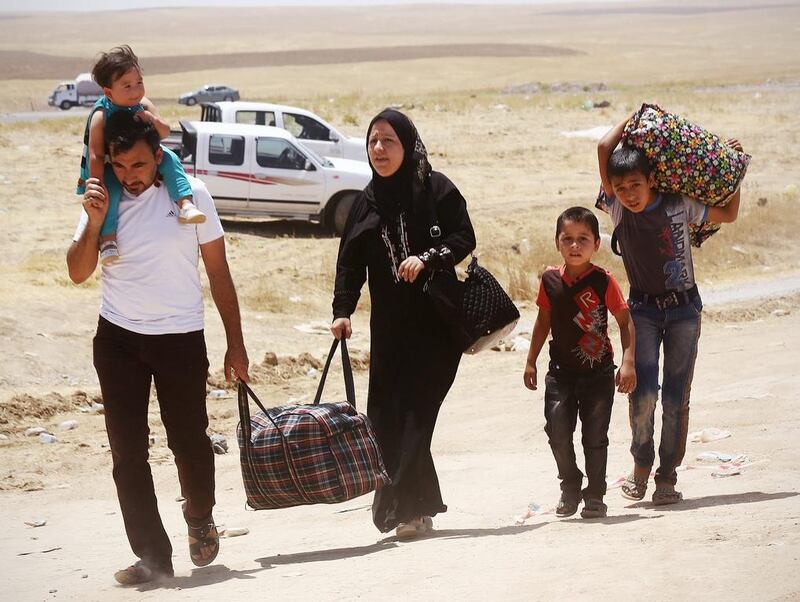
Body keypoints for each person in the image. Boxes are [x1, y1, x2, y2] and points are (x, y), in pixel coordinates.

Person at [66, 111, 249, 585]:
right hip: (118, 339)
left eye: (140, 166)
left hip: (181, 337)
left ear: (159, 158)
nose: (130, 177)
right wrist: (92, 221)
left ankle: (200, 516)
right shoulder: (102, 195)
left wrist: (236, 343)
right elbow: (76, 271)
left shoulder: (192, 195)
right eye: (121, 166)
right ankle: (152, 556)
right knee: (127, 452)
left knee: (189, 441)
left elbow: (219, 273)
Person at [330, 108, 476, 540]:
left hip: (437, 328)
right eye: (373, 140)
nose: (379, 149)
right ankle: (417, 505)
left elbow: (464, 237)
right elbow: (350, 262)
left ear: (408, 144)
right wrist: (342, 309)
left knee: (417, 417)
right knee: (387, 417)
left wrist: (428, 258)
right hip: (390, 331)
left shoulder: (436, 189)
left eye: (389, 140)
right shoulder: (366, 201)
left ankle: (404, 509)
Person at [597, 112, 743, 505]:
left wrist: (733, 174)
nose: (628, 193)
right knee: (643, 394)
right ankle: (640, 465)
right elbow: (603, 148)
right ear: (612, 189)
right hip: (642, 311)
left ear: (652, 182)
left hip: (683, 311)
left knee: (677, 396)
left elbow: (728, 214)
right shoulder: (618, 211)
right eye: (620, 186)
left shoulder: (680, 204)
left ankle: (667, 476)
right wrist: (636, 115)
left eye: (635, 185)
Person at [523, 206, 636, 518]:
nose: (575, 246)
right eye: (567, 239)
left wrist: (628, 362)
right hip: (559, 373)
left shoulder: (603, 282)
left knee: (594, 436)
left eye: (583, 239)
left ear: (596, 244)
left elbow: (625, 321)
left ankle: (596, 494)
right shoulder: (549, 280)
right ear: (558, 242)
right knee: (556, 430)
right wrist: (531, 360)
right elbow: (543, 320)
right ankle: (570, 483)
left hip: (598, 373)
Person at [76, 45, 205, 265]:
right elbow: (97, 154)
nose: (136, 91)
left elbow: (164, 132)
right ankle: (108, 240)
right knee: (112, 193)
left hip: (142, 156)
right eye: (127, 86)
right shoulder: (100, 114)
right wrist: (98, 186)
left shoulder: (142, 105)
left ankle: (185, 203)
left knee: (170, 159)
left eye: (139, 83)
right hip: (109, 165)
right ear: (108, 92)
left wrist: (151, 120)